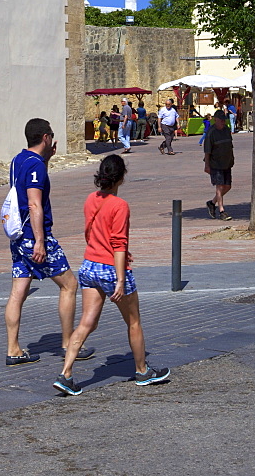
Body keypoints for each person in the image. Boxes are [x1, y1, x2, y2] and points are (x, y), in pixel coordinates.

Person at [53, 154, 170, 394]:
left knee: (87, 322)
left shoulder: (89, 200)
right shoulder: (120, 206)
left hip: (88, 265)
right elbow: (119, 244)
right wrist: (119, 278)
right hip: (110, 268)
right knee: (134, 322)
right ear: (121, 177)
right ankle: (142, 371)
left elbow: (92, 233)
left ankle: (66, 374)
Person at [4, 117, 95, 366]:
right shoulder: (36, 166)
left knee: (18, 292)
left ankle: (13, 349)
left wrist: (48, 159)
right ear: (46, 137)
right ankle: (67, 343)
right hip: (34, 236)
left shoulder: (18, 160)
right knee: (69, 285)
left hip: (18, 236)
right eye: (51, 135)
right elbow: (34, 203)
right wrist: (41, 242)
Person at [203, 109, 234, 220]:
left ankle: (212, 203)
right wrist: (207, 165)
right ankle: (221, 210)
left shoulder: (226, 130)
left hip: (227, 163)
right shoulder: (211, 132)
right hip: (215, 163)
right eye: (221, 120)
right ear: (215, 120)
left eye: (224, 120)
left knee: (228, 186)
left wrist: (232, 159)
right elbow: (207, 151)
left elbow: (230, 146)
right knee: (219, 186)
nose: (223, 122)